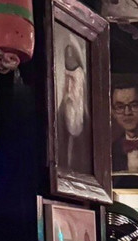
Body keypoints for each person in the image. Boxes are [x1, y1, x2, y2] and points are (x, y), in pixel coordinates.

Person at [56, 39, 92, 174]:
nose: (69, 88)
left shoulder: (93, 128)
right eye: (66, 79)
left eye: (73, 80)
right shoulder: (55, 123)